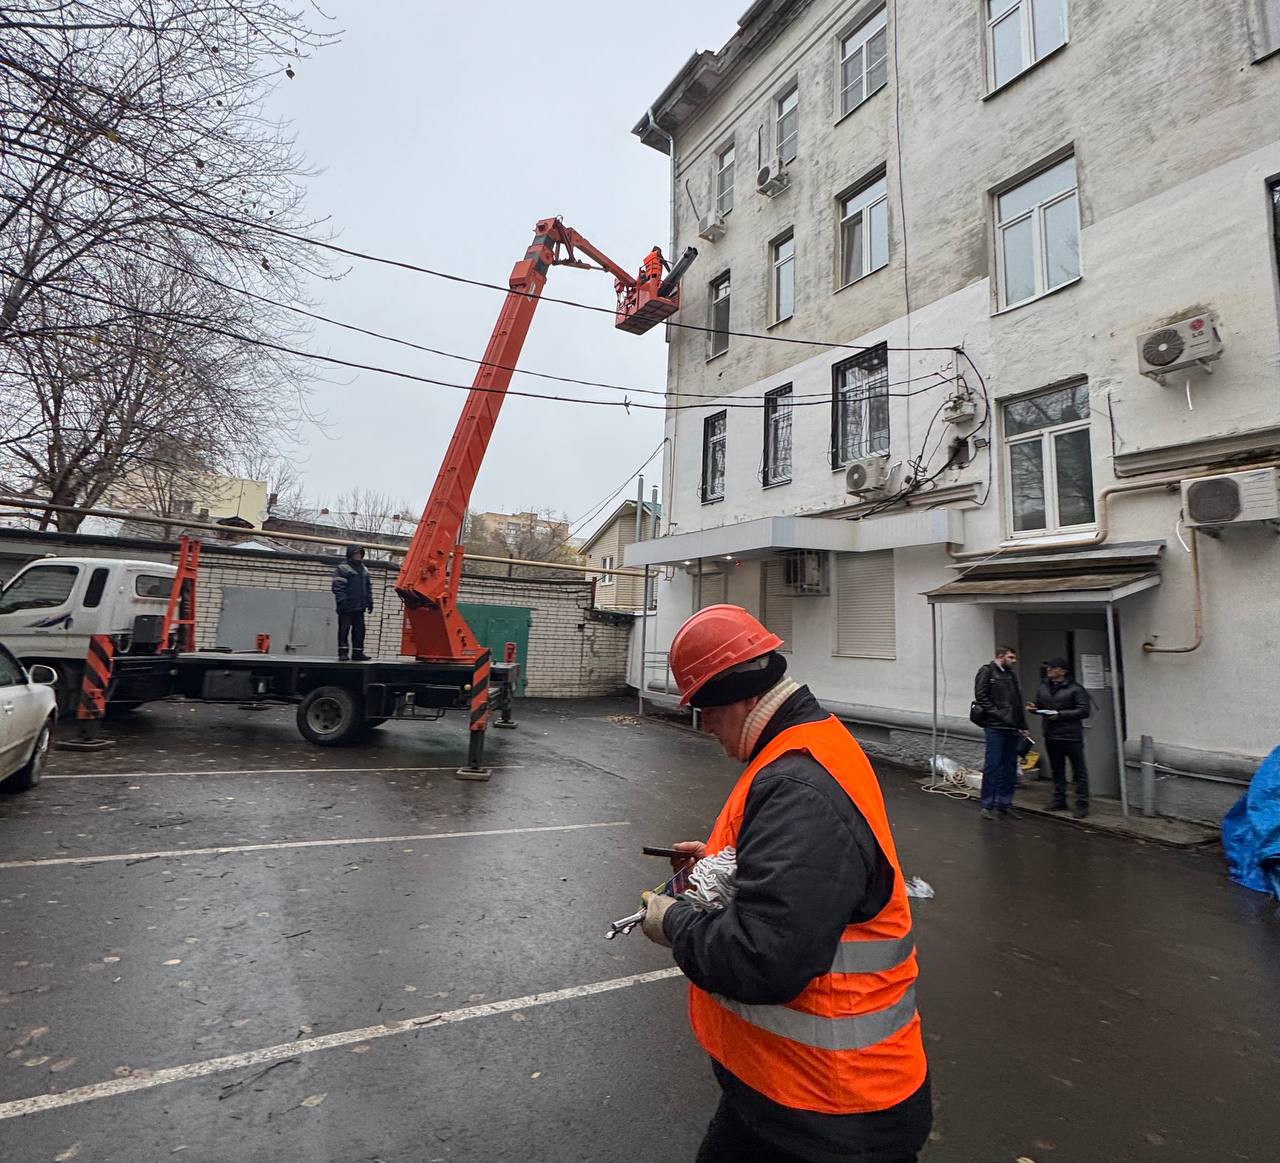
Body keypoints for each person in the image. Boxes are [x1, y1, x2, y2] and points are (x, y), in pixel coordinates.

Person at [639, 604, 931, 1163]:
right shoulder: (802, 747)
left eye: (705, 710)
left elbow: (763, 959)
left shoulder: (798, 783)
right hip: (786, 1091)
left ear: (739, 697)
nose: (705, 728)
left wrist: (673, 921)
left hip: (829, 1113)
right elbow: (808, 881)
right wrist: (727, 865)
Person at [1028, 658, 1091, 818]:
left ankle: (1082, 804)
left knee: (1079, 771)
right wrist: (1033, 708)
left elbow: (1084, 711)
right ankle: (1059, 799)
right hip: (1051, 734)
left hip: (1071, 736)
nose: (1049, 670)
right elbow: (1039, 705)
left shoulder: (1076, 689)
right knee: (1057, 769)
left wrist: (1060, 715)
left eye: (1053, 668)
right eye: (1048, 668)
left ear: (1063, 671)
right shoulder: (1043, 687)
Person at [972, 646, 1028, 821]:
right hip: (995, 726)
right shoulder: (987, 671)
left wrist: (1022, 725)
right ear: (1000, 656)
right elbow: (981, 696)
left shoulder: (1011, 675)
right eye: (1011, 657)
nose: (1014, 661)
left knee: (1010, 767)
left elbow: (1017, 702)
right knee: (993, 765)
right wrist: (999, 714)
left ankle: (1005, 803)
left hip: (1012, 727)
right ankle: (987, 804)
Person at [331, 544, 374, 661]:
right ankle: (343, 653)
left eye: (360, 553)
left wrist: (369, 602)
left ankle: (358, 653)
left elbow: (368, 587)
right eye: (356, 553)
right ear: (350, 554)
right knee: (344, 630)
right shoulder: (342, 568)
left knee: (359, 630)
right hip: (346, 606)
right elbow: (338, 587)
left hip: (359, 606)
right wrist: (342, 601)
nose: (358, 556)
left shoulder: (364, 569)